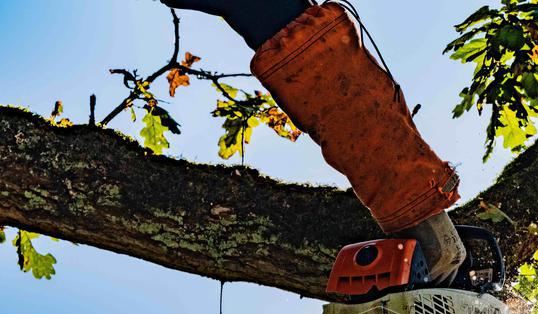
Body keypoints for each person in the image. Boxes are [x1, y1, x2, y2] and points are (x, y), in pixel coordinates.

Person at [160, 0, 467, 282]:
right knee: (350, 116)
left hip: (310, 45)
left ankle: (425, 223)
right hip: (302, 48)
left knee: (359, 117)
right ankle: (423, 223)